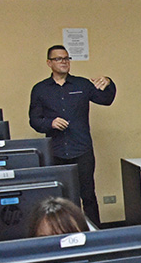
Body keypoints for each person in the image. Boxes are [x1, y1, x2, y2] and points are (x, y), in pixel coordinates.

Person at [28, 44, 116, 227]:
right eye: (59, 59)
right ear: (49, 63)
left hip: (81, 149)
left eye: (67, 58)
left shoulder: (82, 84)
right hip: (56, 151)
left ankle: (95, 235)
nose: (64, 62)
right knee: (59, 198)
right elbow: (34, 120)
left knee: (88, 195)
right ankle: (62, 233)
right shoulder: (40, 89)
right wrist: (49, 123)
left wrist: (108, 81)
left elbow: (106, 100)